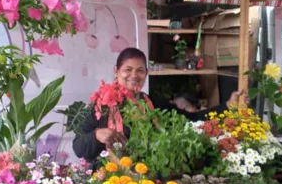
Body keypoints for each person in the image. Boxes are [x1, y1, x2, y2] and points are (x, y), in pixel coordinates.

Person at [73, 48, 243, 166]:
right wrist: (97, 135)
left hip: (147, 177)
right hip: (108, 180)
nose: (134, 75)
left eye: (140, 70)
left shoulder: (154, 104)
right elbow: (78, 148)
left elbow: (191, 119)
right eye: (128, 69)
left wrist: (227, 106)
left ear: (146, 73)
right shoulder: (100, 107)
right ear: (116, 71)